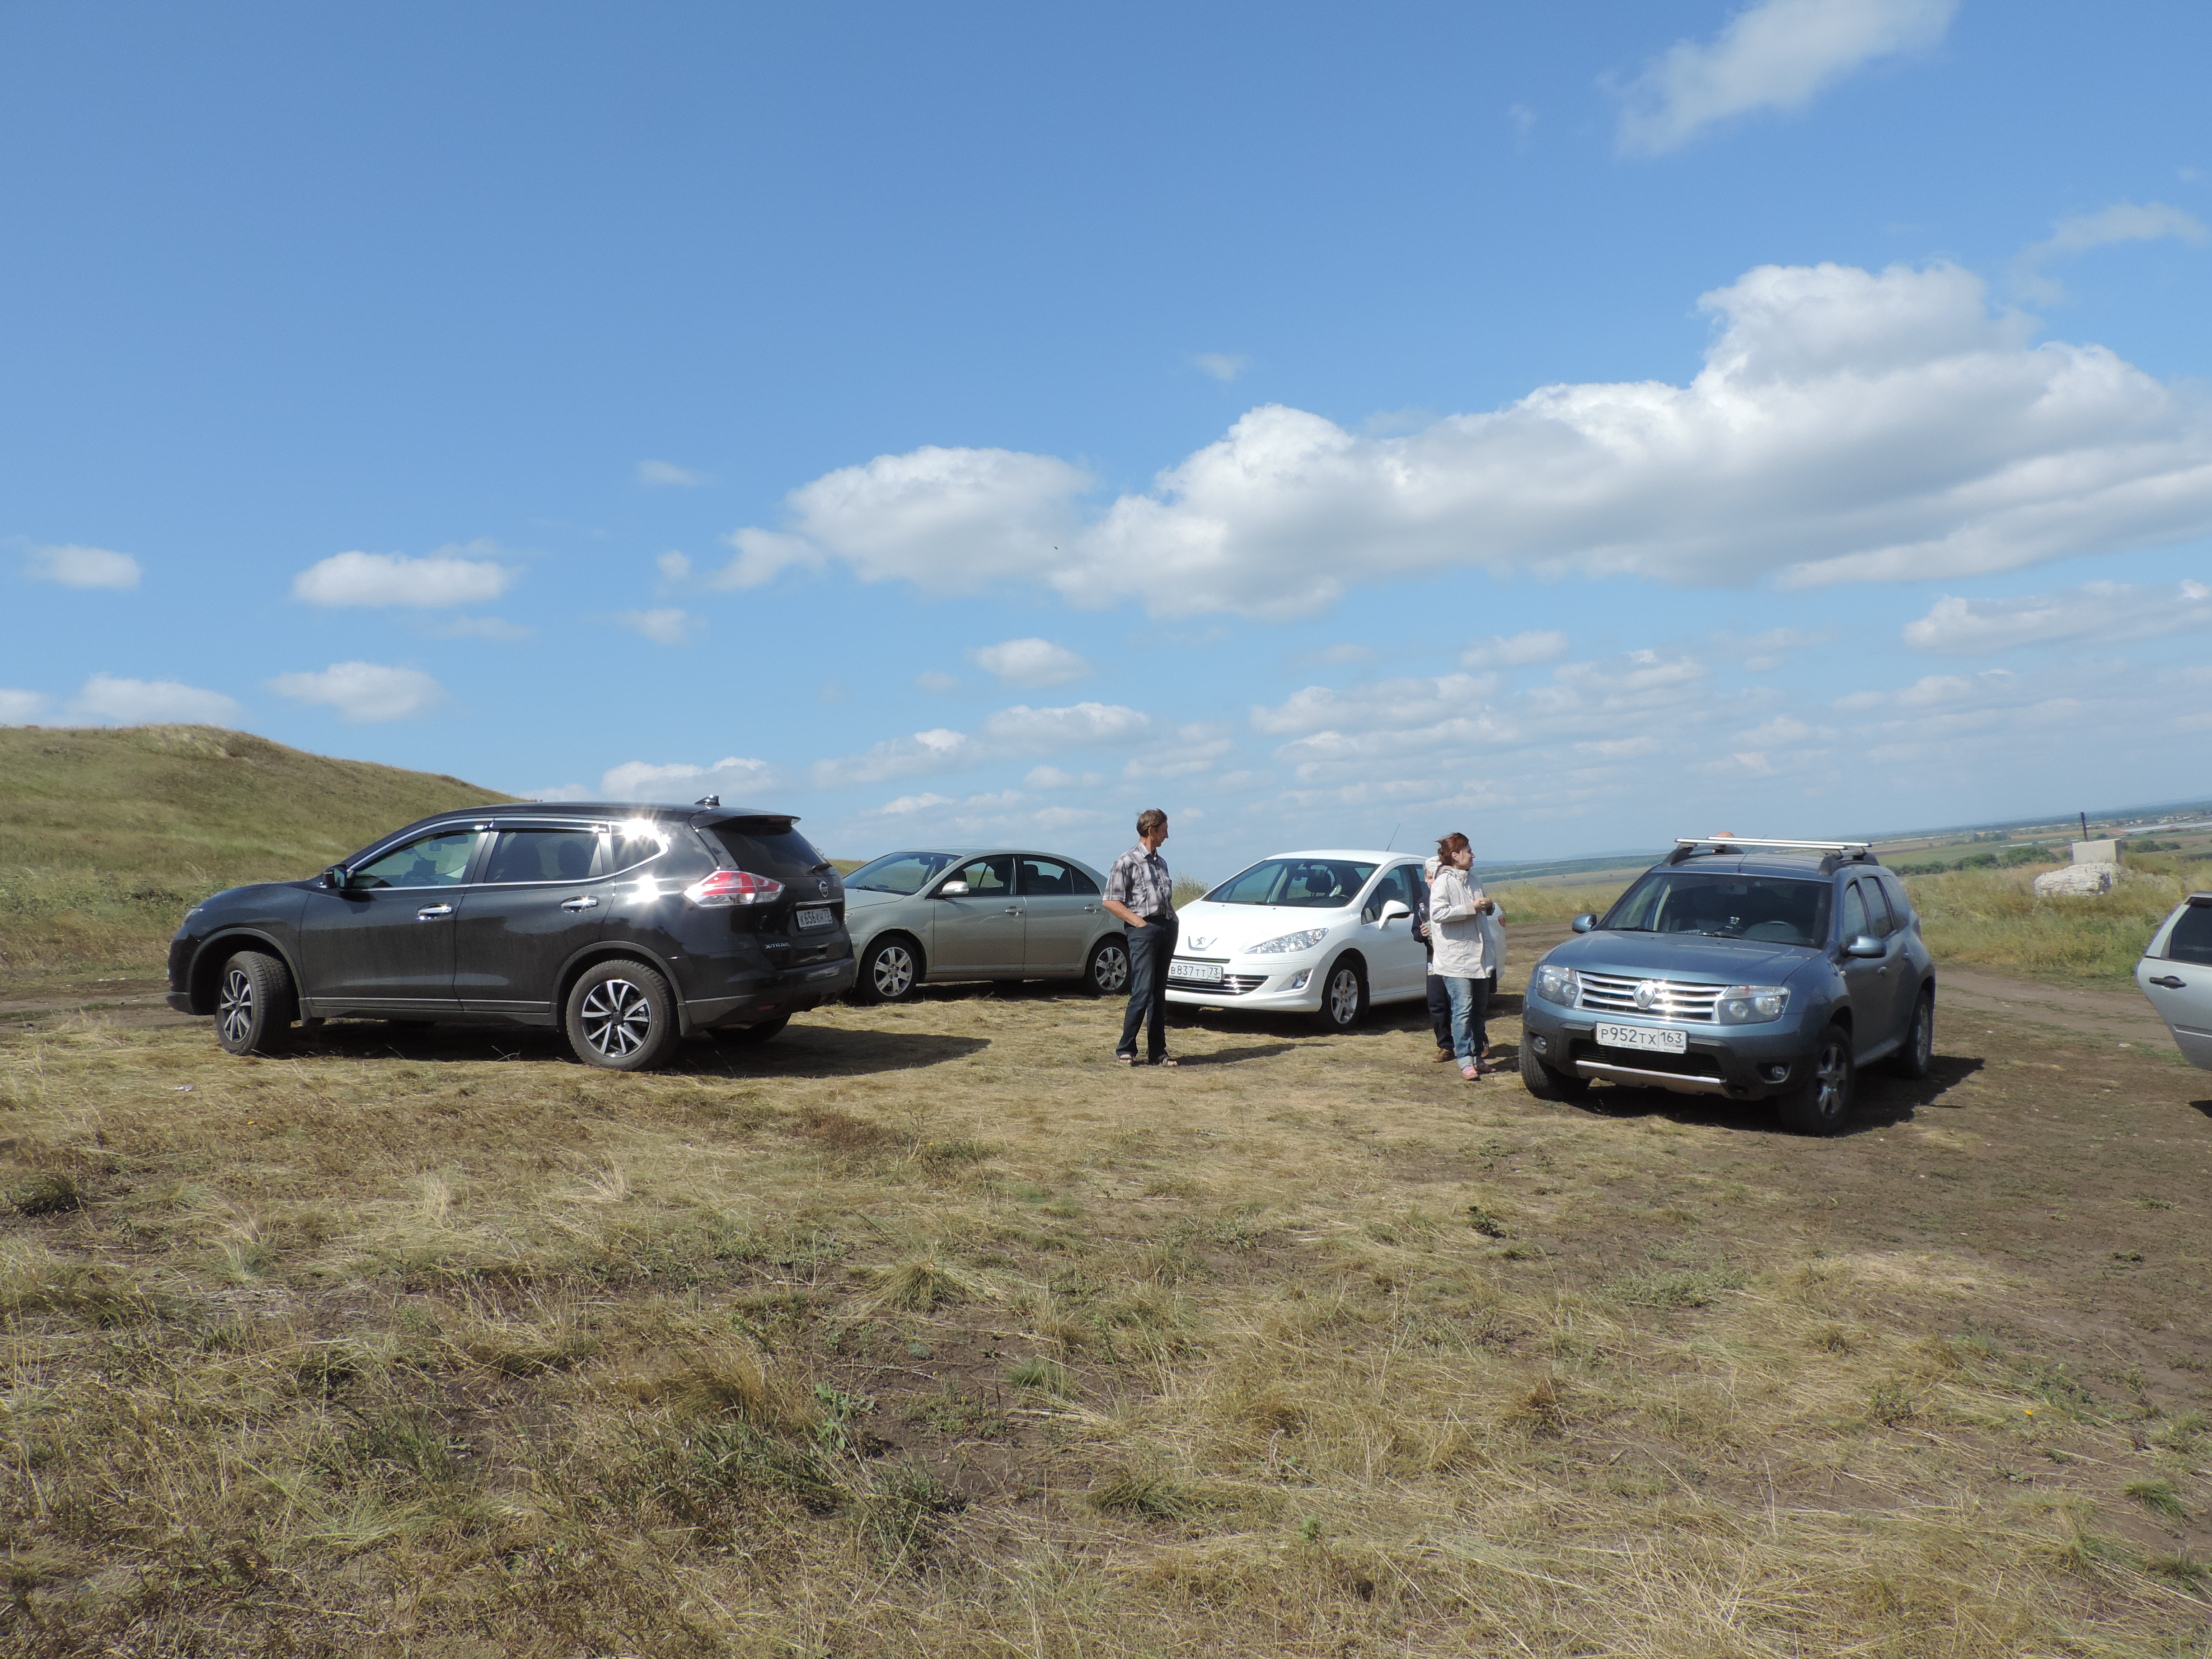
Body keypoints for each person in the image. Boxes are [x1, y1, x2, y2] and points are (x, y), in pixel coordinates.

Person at [1102, 808, 1178, 1067]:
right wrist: (1139, 923)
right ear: (1151, 831)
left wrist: (1173, 921)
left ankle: (1158, 1052)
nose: (1167, 836)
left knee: (1158, 993)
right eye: (1164, 830)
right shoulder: (1126, 862)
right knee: (1143, 990)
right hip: (1143, 931)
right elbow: (1111, 901)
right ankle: (1126, 1049)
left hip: (1166, 928)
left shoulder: (1161, 863)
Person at [1428, 831, 1496, 1080]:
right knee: (1463, 1009)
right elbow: (1438, 914)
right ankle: (1465, 1060)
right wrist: (1471, 908)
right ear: (1455, 856)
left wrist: (1488, 906)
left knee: (1479, 1010)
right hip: (1455, 960)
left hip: (1479, 957)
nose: (1473, 855)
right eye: (1468, 851)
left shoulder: (1474, 879)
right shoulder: (1443, 882)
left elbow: (1484, 910)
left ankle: (1478, 1057)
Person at [1417, 858, 1454, 1061]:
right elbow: (1416, 933)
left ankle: (1477, 1042)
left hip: (1455, 957)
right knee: (1437, 1002)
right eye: (1430, 878)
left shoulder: (1453, 897)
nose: (1433, 882)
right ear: (1426, 879)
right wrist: (1423, 933)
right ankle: (1445, 1046)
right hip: (1434, 958)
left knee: (1461, 1001)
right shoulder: (1423, 902)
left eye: (1437, 877)